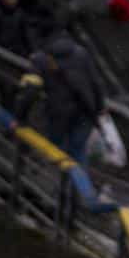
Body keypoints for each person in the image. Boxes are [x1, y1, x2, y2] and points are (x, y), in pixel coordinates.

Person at [29, 17, 105, 163]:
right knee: (78, 151)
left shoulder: (40, 58)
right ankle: (79, 184)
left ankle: (59, 182)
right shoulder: (81, 53)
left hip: (58, 112)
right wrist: (100, 107)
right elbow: (96, 82)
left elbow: (31, 89)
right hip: (84, 109)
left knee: (56, 150)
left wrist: (20, 116)